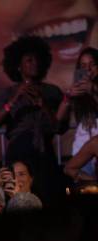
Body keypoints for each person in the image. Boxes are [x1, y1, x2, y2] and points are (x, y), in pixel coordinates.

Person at [0, 36, 64, 202]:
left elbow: (59, 127)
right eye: (29, 60)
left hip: (44, 155)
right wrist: (14, 100)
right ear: (18, 66)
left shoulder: (52, 92)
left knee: (48, 201)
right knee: (20, 203)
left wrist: (43, 105)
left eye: (37, 60)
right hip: (18, 155)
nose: (35, 63)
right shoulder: (9, 93)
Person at [57, 47, 98, 180]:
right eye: (83, 66)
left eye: (92, 64)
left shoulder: (93, 89)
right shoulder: (79, 91)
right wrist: (68, 97)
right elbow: (58, 120)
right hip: (82, 153)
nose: (88, 69)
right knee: (87, 189)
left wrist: (93, 89)